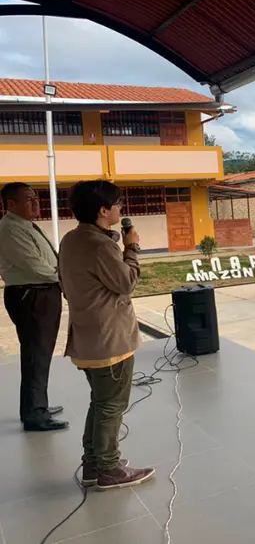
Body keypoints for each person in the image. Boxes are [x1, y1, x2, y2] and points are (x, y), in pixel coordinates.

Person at [59, 180, 155, 488]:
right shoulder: (100, 245)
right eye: (118, 205)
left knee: (99, 402)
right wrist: (131, 248)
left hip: (88, 335)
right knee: (112, 405)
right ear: (103, 210)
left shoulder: (73, 239)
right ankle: (109, 468)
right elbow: (126, 282)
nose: (121, 210)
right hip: (109, 338)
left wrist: (117, 241)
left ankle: (93, 464)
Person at [0, 182, 68, 432]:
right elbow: (35, 266)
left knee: (40, 353)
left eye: (35, 198)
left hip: (43, 293)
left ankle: (36, 405)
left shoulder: (25, 225)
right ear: (10, 204)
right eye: (28, 199)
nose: (35, 202)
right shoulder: (10, 229)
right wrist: (65, 278)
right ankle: (35, 414)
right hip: (31, 295)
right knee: (36, 354)